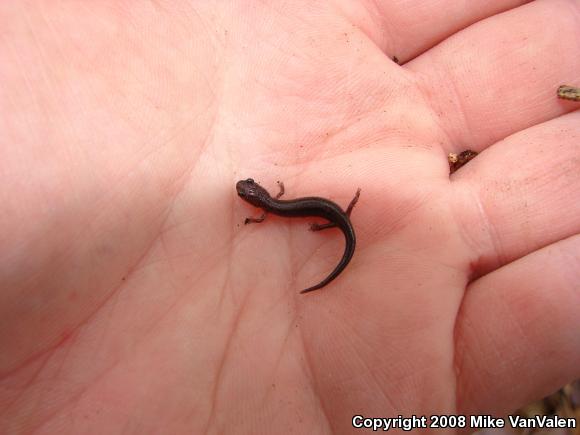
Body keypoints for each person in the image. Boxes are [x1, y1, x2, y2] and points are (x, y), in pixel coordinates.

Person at [1, 1, 578, 432]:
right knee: (327, 220)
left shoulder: (272, 213)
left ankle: (338, 236)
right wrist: (321, 218)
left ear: (255, 202)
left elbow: (280, 208)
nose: (251, 197)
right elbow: (281, 206)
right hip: (327, 214)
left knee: (331, 223)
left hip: (330, 216)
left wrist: (325, 219)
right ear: (259, 199)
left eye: (250, 196)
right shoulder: (273, 211)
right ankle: (337, 234)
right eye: (253, 196)